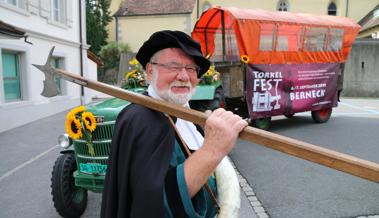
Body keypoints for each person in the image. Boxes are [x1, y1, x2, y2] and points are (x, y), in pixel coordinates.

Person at [101, 30, 248, 218]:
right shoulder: (138, 120)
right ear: (149, 71)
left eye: (191, 68)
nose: (184, 76)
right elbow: (154, 205)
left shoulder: (188, 117)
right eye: (173, 66)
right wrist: (213, 149)